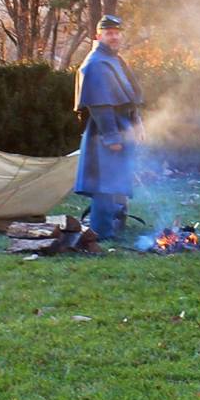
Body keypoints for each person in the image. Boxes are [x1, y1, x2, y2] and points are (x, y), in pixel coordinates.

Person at [73, 14, 142, 241]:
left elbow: (130, 98)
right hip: (105, 131)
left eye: (116, 33)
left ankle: (117, 224)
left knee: (119, 178)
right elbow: (100, 105)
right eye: (108, 33)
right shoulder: (96, 63)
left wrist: (137, 125)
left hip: (122, 127)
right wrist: (111, 137)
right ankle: (102, 231)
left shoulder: (115, 59)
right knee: (105, 182)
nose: (113, 37)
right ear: (98, 35)